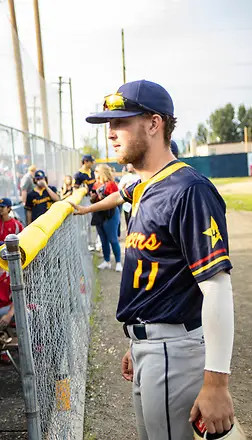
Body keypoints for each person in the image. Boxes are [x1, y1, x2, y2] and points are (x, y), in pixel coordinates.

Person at [73, 79, 235, 439]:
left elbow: (218, 289)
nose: (110, 134)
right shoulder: (145, 184)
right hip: (153, 347)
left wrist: (216, 383)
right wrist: (139, 341)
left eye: (121, 123)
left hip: (175, 352)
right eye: (108, 125)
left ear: (154, 123)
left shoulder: (188, 190)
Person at [91, 164, 123, 272]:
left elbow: (116, 200)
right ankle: (107, 261)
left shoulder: (111, 184)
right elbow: (93, 201)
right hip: (99, 214)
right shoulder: (95, 185)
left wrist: (103, 197)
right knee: (103, 240)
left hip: (111, 214)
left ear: (102, 172)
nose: (94, 173)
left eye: (96, 171)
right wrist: (93, 198)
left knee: (113, 239)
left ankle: (118, 262)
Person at [118, 163, 139, 231]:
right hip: (127, 204)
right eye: (128, 166)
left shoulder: (139, 176)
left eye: (131, 166)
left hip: (138, 203)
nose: (129, 168)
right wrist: (123, 186)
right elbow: (120, 189)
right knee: (128, 222)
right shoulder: (125, 177)